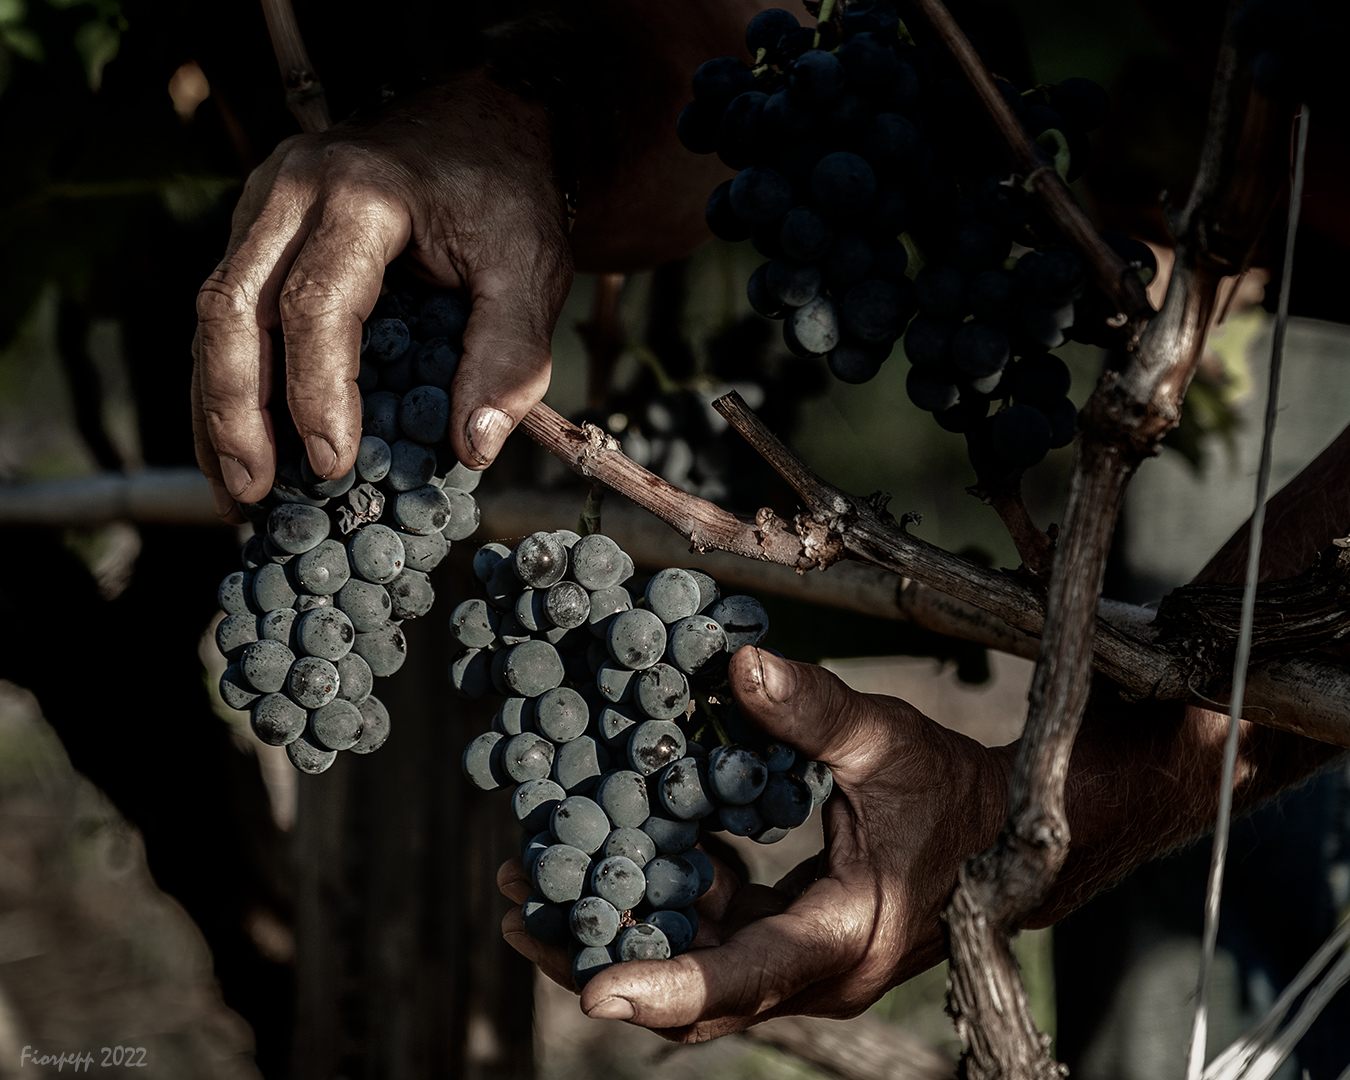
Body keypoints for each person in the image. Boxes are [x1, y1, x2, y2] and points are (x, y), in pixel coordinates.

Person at [190, 0, 1349, 1041]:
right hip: (1234, 296)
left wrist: (1065, 811)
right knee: (1175, 1010)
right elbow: (721, 50)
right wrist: (514, 121)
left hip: (1248, 306)